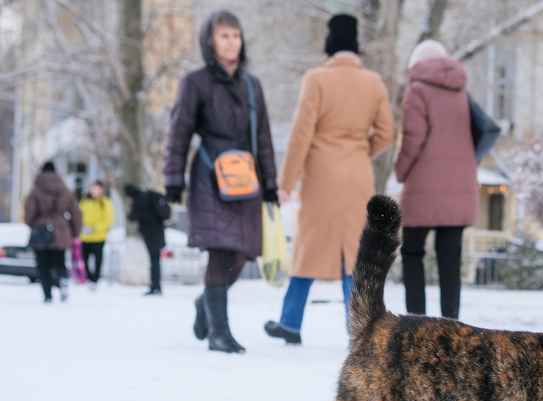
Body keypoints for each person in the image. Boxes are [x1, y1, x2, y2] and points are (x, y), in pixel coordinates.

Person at [264, 14, 395, 345]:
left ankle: (290, 323)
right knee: (355, 255)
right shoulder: (373, 83)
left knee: (308, 250)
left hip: (321, 176)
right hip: (357, 176)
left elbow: (300, 134)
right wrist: (362, 150)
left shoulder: (316, 79)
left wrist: (286, 180)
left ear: (329, 43)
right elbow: (388, 133)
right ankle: (361, 332)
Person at [163, 11, 279, 354]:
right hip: (209, 179)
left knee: (241, 254)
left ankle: (205, 304)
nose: (232, 42)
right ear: (210, 41)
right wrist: (173, 177)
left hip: (246, 180)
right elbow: (178, 132)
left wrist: (271, 182)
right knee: (219, 251)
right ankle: (219, 332)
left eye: (236, 35)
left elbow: (265, 137)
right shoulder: (195, 82)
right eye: (225, 35)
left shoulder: (251, 84)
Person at [394, 40, 479, 320]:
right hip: (460, 187)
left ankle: (417, 325)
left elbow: (413, 138)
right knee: (450, 259)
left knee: (412, 252)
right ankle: (452, 326)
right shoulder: (463, 92)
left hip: (423, 187)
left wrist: (401, 170)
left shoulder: (417, 91)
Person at [24, 161, 83, 303]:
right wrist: (75, 232)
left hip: (41, 231)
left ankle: (47, 294)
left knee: (42, 265)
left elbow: (29, 214)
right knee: (59, 261)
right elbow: (76, 213)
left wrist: (34, 224)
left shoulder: (36, 191)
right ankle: (62, 280)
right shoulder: (65, 191)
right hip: (61, 231)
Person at [124, 184, 170, 296]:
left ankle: (155, 286)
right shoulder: (150, 196)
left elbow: (131, 217)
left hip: (149, 233)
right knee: (156, 260)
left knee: (154, 260)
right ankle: (156, 286)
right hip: (158, 231)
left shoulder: (139, 200)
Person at [78, 180, 114, 288]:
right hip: (85, 236)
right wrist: (82, 227)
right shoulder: (85, 201)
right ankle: (89, 277)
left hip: (99, 236)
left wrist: (95, 228)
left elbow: (108, 219)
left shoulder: (105, 202)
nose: (94, 191)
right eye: (93, 188)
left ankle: (95, 279)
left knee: (98, 259)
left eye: (97, 188)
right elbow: (79, 215)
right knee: (84, 258)